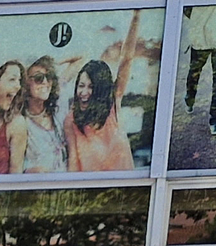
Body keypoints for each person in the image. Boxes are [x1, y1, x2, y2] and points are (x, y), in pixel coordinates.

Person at [59, 12, 150, 170]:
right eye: (81, 86)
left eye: (91, 87)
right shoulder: (71, 119)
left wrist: (136, 16)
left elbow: (126, 59)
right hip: (91, 189)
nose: (84, 92)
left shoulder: (112, 106)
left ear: (100, 90)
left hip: (122, 187)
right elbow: (72, 159)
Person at [8, 59, 66, 173]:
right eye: (38, 78)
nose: (45, 82)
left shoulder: (57, 110)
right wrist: (29, 171)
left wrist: (56, 62)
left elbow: (81, 58)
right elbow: (13, 167)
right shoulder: (20, 123)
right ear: (25, 84)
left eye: (49, 77)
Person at [184, 4, 216, 136]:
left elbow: (186, 9)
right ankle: (213, 118)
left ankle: (211, 116)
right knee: (214, 76)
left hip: (211, 34)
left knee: (201, 73)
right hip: (212, 34)